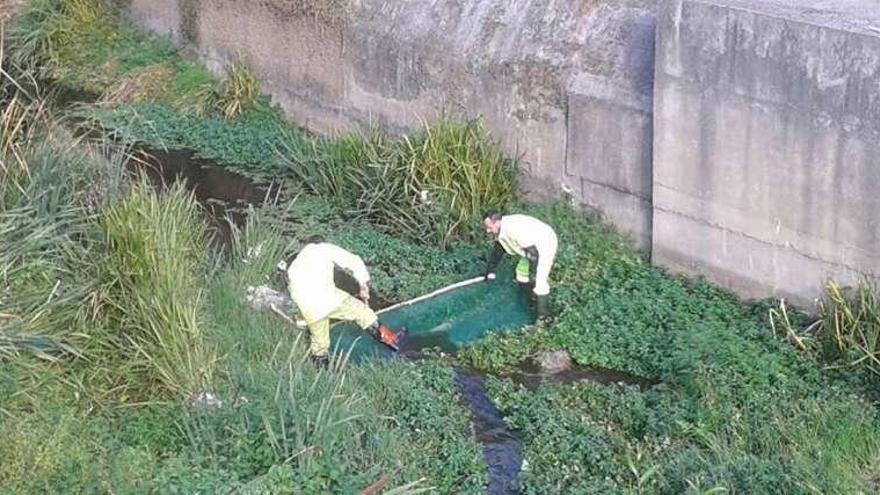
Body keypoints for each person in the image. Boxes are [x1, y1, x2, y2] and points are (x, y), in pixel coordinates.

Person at [282, 235, 406, 368]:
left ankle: (322, 369)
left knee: (320, 343)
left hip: (308, 308)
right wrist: (363, 285)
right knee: (362, 312)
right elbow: (354, 261)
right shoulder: (323, 248)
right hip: (327, 298)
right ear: (320, 243)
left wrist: (302, 320)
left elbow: (295, 292)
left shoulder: (296, 262)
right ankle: (392, 341)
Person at [482, 211, 558, 322]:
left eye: (489, 227)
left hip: (544, 243)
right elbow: (498, 250)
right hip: (528, 248)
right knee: (521, 274)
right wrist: (490, 270)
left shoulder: (514, 230)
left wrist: (534, 275)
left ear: (497, 222)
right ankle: (529, 300)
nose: (487, 231)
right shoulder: (501, 229)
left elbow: (533, 255)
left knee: (540, 282)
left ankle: (544, 317)